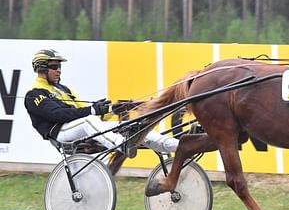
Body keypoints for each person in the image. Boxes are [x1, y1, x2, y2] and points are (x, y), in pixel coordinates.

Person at [24, 49, 178, 156]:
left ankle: (176, 145)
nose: (59, 70)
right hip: (60, 133)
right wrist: (93, 110)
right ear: (42, 68)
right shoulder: (34, 94)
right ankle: (121, 145)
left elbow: (85, 110)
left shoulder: (63, 89)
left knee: (132, 127)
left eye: (60, 66)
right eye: (55, 66)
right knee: (89, 120)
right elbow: (57, 115)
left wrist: (109, 110)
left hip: (78, 127)